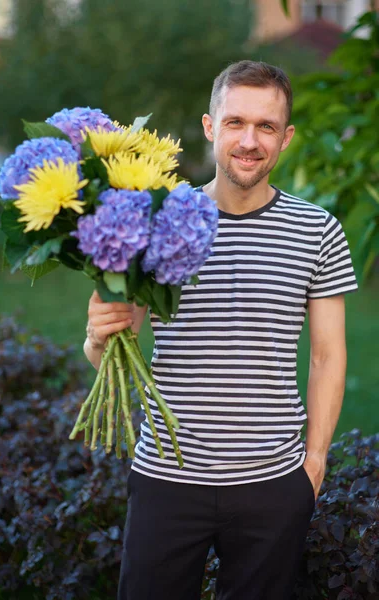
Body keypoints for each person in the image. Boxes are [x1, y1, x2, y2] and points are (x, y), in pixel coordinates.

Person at [84, 60, 358, 600]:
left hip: (272, 483)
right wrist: (97, 337)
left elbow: (327, 356)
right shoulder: (157, 221)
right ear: (210, 127)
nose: (249, 141)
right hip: (167, 477)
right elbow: (115, 356)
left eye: (267, 127)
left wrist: (315, 461)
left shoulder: (317, 231)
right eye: (235, 122)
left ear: (287, 138)